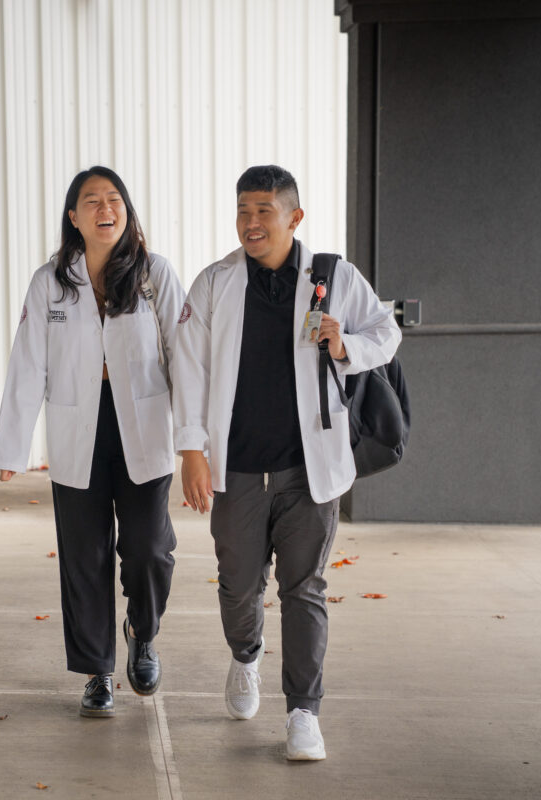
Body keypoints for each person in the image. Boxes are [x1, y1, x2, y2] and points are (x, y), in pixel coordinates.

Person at [171, 165, 400, 760]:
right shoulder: (215, 282)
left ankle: (304, 713)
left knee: (305, 590)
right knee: (238, 587)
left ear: (294, 217)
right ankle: (246, 656)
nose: (251, 223)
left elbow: (387, 331)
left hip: (309, 470)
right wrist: (192, 450)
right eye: (243, 211)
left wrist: (345, 343)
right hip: (239, 468)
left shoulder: (334, 277)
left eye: (264, 211)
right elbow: (189, 370)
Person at [0, 166, 183, 718]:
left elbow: (184, 360)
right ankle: (98, 670)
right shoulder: (49, 281)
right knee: (84, 556)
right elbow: (27, 365)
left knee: (149, 548)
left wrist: (200, 439)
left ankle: (141, 633)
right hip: (80, 430)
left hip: (143, 428)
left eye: (114, 198)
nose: (105, 208)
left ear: (126, 210)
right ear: (73, 216)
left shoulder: (154, 275)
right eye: (91, 200)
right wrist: (12, 445)